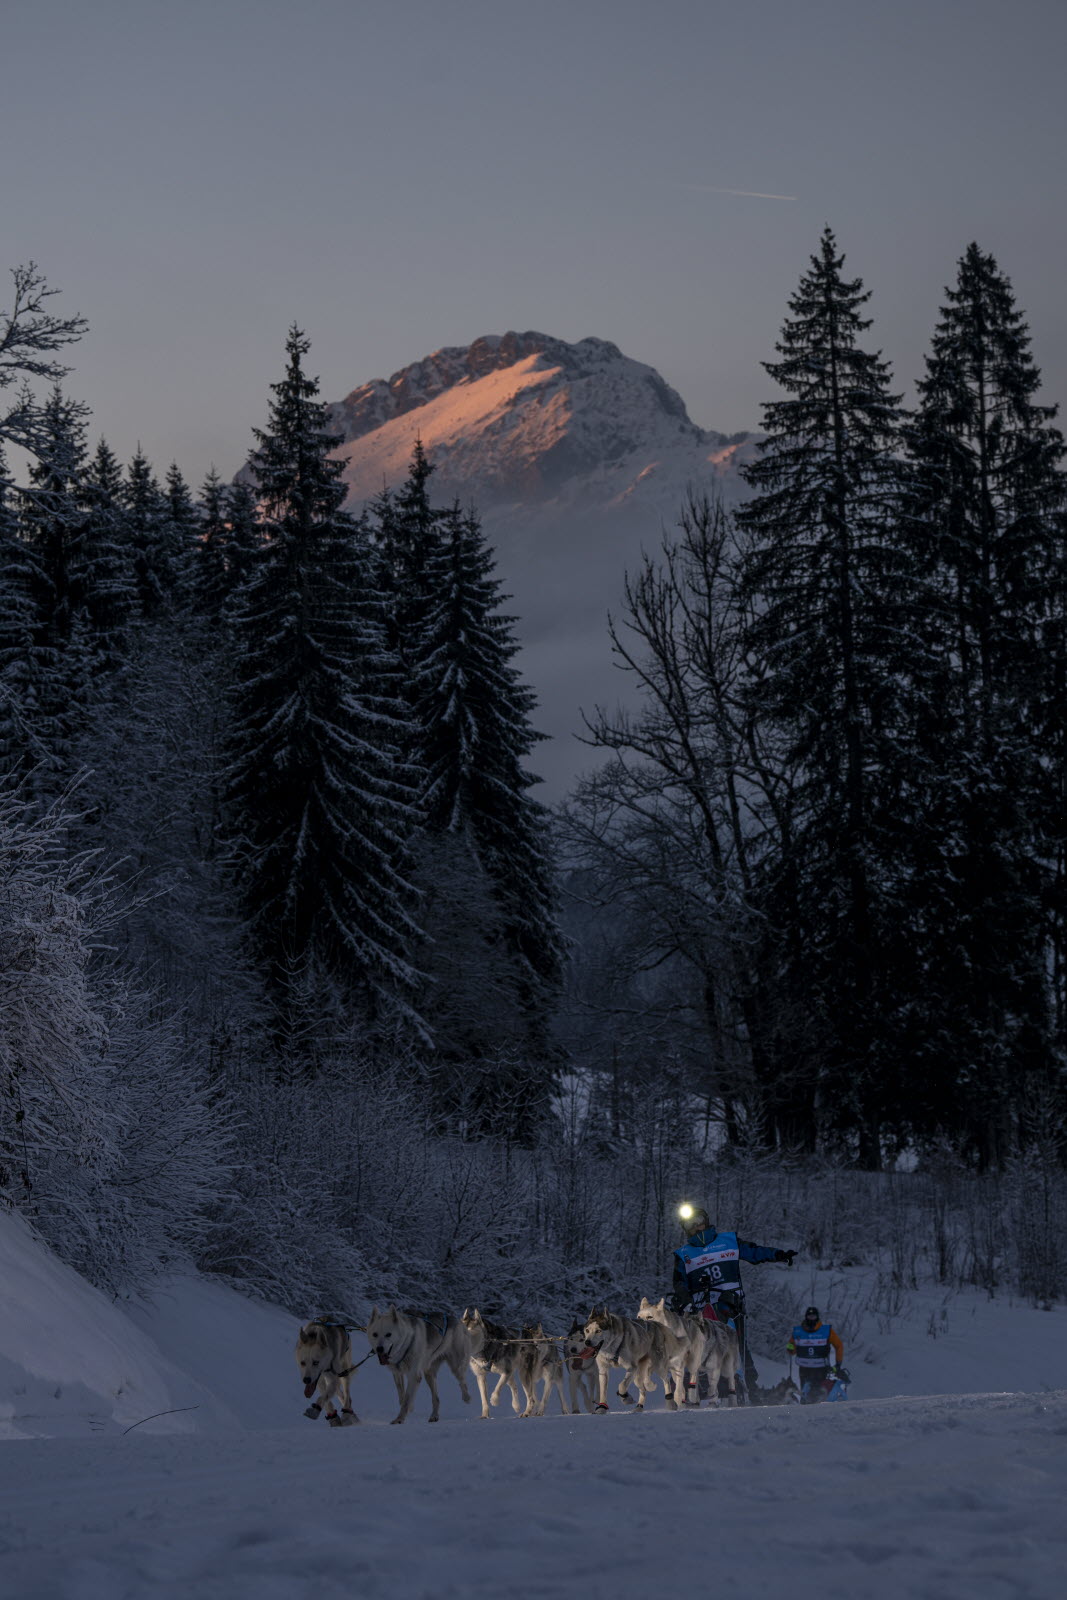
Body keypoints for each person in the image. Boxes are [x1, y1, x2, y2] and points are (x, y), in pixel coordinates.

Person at [671, 1205, 796, 1393]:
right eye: (690, 1225)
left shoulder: (728, 1242)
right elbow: (679, 1283)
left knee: (737, 1344)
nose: (696, 1227)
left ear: (706, 1221)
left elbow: (754, 1252)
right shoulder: (684, 1254)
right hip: (701, 1311)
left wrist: (779, 1254)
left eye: (699, 1222)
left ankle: (747, 1385)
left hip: (730, 1305)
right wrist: (685, 1301)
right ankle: (695, 1384)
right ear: (686, 1229)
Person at [786, 1306, 845, 1403]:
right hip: (804, 1368)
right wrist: (790, 1348)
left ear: (817, 1317)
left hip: (820, 1368)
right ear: (806, 1317)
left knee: (817, 1393)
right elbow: (792, 1348)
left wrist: (838, 1363)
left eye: (813, 1316)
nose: (811, 1318)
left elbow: (839, 1345)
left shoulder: (826, 1330)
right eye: (809, 1316)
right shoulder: (798, 1331)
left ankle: (817, 1409)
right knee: (805, 1393)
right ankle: (804, 1408)